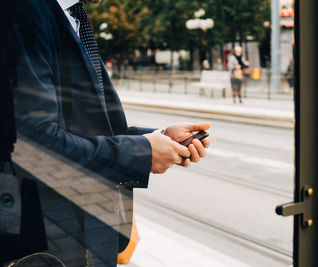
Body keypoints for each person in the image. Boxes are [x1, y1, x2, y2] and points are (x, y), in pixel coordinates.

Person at [11, 0, 211, 264]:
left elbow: (81, 126)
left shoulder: (66, 14)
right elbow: (32, 141)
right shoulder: (24, 10)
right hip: (51, 243)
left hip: (79, 236)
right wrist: (141, 153)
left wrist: (158, 137)